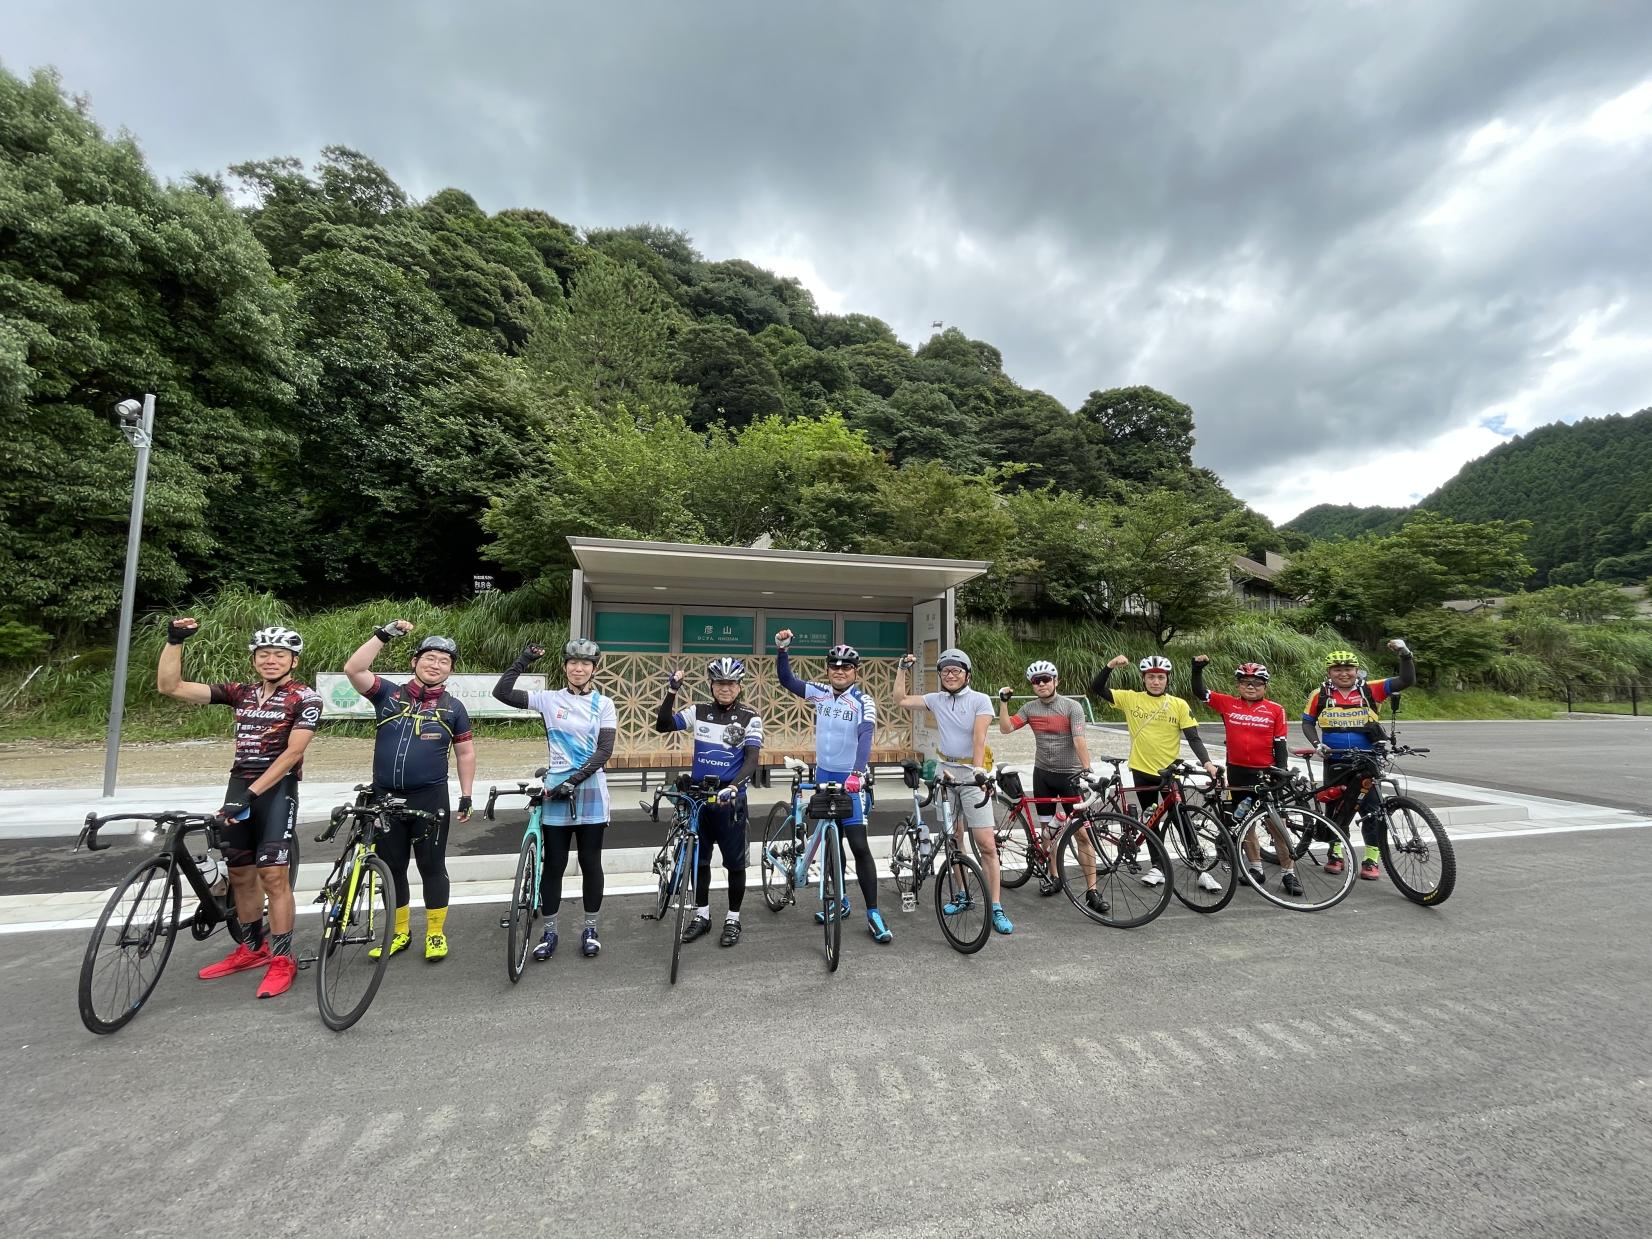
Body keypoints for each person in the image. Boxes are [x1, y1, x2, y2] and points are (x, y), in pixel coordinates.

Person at [156, 620, 321, 999]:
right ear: (254, 659)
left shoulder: (305, 698)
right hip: (239, 785)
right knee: (241, 875)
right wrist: (174, 641)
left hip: (277, 791)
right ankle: (252, 948)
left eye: (280, 654)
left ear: (293, 661)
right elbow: (171, 687)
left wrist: (252, 794)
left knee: (274, 877)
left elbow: (294, 752)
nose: (271, 660)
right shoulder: (241, 693)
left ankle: (282, 959)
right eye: (264, 654)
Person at [341, 621, 475, 961]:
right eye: (430, 657)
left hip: (430, 799)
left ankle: (434, 933)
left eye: (444, 661)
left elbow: (465, 753)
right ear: (415, 662)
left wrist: (467, 794)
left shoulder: (454, 708)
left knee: (432, 866)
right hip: (385, 799)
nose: (436, 665)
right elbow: (354, 668)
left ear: (451, 670)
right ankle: (400, 932)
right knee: (393, 866)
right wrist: (383, 635)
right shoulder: (388, 695)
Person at [493, 639, 617, 960]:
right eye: (573, 663)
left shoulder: (604, 704)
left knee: (590, 863)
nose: (579, 668)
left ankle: (590, 928)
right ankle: (549, 932)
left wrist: (573, 781)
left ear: (594, 669)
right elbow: (502, 693)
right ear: (565, 667)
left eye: (585, 664)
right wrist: (523, 659)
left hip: (589, 791)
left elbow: (604, 751)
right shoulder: (549, 700)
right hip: (555, 791)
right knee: (555, 866)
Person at [773, 633, 890, 943]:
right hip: (824, 776)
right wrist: (783, 650)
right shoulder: (821, 693)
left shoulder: (864, 701)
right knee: (829, 841)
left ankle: (874, 913)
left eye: (846, 667)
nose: (840, 671)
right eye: (834, 667)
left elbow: (866, 736)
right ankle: (840, 901)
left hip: (851, 780)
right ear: (828, 670)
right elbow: (787, 680)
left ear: (855, 671)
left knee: (858, 844)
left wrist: (856, 772)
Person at [892, 648, 1014, 934]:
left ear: (967, 674)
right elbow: (900, 700)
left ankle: (995, 906)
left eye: (956, 670)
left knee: (985, 843)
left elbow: (978, 738)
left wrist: (977, 773)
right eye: (945, 671)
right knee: (953, 839)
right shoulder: (936, 699)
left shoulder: (980, 700)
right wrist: (902, 670)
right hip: (944, 771)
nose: (950, 675)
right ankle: (962, 895)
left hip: (973, 774)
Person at [654, 657, 763, 948]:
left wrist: (734, 787)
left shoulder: (750, 717)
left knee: (735, 865)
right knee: (700, 861)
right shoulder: (698, 712)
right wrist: (672, 691)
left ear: (740, 686)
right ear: (711, 685)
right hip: (699, 799)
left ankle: (733, 918)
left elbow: (752, 759)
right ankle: (702, 915)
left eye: (731, 683)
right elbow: (663, 725)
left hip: (729, 801)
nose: (725, 688)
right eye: (720, 683)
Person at [1089, 654, 1220, 889]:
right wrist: (1109, 666)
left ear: (1167, 680)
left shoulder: (1179, 704)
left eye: (1160, 677)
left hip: (1170, 774)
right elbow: (1097, 687)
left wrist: (1207, 763)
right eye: (1151, 677)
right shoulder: (1131, 699)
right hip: (1142, 771)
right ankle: (1158, 867)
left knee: (1182, 822)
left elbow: (1193, 737)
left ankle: (1200, 868)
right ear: (1144, 679)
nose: (1156, 682)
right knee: (1151, 821)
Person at [1301, 641, 1417, 880]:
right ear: (1329, 672)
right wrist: (1317, 744)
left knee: (1372, 810)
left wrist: (1405, 654)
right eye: (1337, 669)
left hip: (1369, 760)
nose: (1343, 673)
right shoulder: (1320, 694)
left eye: (1348, 669)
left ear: (1356, 670)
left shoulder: (1371, 689)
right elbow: (1307, 722)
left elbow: (1406, 680)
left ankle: (1371, 859)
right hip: (1335, 760)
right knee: (1335, 806)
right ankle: (1335, 853)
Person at [1189, 655, 1299, 896]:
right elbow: (1200, 692)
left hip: (1265, 773)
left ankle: (1288, 874)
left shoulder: (1275, 710)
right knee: (1245, 823)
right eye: (1246, 682)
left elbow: (1280, 744)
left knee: (1275, 825)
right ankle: (1256, 869)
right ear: (1238, 685)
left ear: (1265, 686)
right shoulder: (1228, 704)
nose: (1251, 686)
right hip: (1237, 773)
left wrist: (1280, 771)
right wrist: (1197, 669)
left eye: (1257, 683)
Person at [995, 660, 1091, 896]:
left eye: (1046, 679)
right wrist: (1003, 703)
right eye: (1036, 681)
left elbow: (1079, 740)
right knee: (1048, 831)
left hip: (1070, 776)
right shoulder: (1030, 708)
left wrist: (1087, 769)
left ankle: (1092, 890)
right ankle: (1053, 876)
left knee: (1081, 833)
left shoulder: (1072, 707)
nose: (1041, 684)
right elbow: (1006, 729)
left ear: (1056, 681)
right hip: (1043, 775)